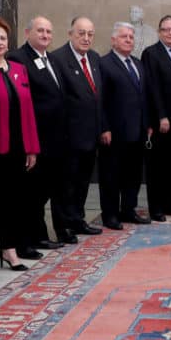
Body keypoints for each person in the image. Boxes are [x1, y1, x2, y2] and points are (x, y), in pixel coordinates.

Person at [0, 16, 41, 272]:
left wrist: (32, 147)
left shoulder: (18, 69)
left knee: (13, 201)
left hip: (17, 147)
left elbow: (28, 110)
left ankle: (9, 249)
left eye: (3, 38)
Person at [8, 16, 69, 251]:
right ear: (27, 33)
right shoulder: (18, 58)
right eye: (40, 31)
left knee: (45, 191)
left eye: (48, 31)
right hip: (35, 139)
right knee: (31, 193)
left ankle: (38, 234)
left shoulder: (51, 59)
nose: (45, 35)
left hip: (55, 140)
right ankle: (29, 239)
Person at [50, 17, 104, 243]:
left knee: (82, 182)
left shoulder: (94, 58)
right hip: (68, 137)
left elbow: (97, 97)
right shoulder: (58, 59)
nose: (86, 38)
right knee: (65, 185)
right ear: (70, 33)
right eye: (81, 33)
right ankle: (63, 227)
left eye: (90, 34)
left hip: (90, 135)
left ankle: (77, 220)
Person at [97, 22, 151, 227]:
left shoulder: (137, 64)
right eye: (124, 36)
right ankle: (110, 214)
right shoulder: (104, 64)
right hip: (114, 132)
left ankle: (128, 210)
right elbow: (100, 100)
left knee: (133, 175)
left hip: (137, 131)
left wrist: (147, 123)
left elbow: (143, 96)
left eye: (131, 37)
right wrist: (104, 127)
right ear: (113, 40)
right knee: (111, 176)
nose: (128, 40)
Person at [141, 14, 171, 221]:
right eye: (166, 29)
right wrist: (161, 116)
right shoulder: (151, 53)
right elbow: (152, 88)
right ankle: (157, 208)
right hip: (161, 122)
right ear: (159, 32)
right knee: (157, 167)